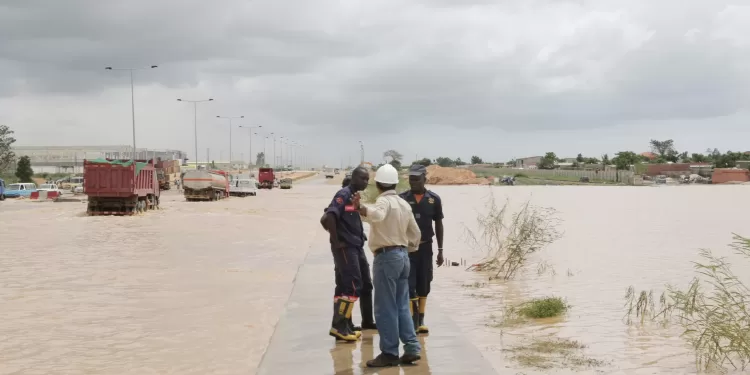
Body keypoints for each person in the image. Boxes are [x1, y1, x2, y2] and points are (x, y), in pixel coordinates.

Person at [357, 164, 422, 367]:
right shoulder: (404, 204)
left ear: (377, 184)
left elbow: (376, 215)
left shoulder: (383, 201)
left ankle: (389, 353)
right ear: (395, 183)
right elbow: (416, 234)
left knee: (385, 307)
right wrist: (406, 250)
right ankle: (411, 347)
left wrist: (361, 207)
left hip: (386, 258)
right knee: (402, 305)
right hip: (403, 257)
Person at [320, 166, 376, 342]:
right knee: (352, 285)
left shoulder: (353, 196)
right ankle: (339, 326)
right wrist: (337, 242)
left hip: (356, 246)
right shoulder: (343, 194)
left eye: (368, 179)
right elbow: (329, 217)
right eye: (363, 179)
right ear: (354, 178)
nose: (366, 182)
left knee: (360, 283)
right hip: (346, 247)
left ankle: (346, 324)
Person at [399, 164, 444, 334]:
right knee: (409, 283)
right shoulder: (402, 199)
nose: (413, 183)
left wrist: (440, 250)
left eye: (417, 179)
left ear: (425, 179)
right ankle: (413, 319)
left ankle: (421, 319)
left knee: (424, 282)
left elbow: (439, 224)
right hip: (408, 249)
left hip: (426, 248)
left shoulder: (434, 199)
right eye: (411, 179)